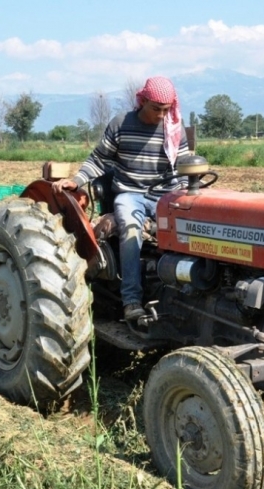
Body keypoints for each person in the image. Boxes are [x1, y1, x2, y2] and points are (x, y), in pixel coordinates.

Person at [52, 76, 191, 322]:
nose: (161, 115)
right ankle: (132, 301)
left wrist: (188, 198)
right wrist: (78, 180)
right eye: (155, 109)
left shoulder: (174, 129)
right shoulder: (121, 124)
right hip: (131, 194)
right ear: (143, 101)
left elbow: (184, 169)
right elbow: (98, 159)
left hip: (165, 195)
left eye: (165, 110)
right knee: (130, 227)